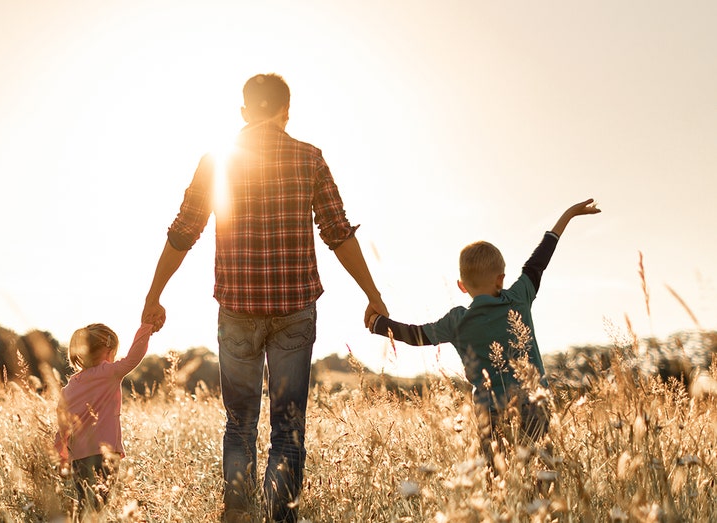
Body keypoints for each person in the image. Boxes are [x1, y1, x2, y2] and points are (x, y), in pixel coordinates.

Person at [141, 73, 388, 522]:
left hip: (237, 310)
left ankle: (236, 515)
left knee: (238, 424)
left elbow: (184, 232)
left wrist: (153, 295)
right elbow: (337, 234)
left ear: (243, 112)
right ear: (286, 112)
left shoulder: (217, 160)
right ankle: (280, 518)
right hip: (295, 311)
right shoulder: (309, 159)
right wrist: (373, 295)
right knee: (288, 427)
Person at [368, 198, 601, 469]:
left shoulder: (457, 321)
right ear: (501, 278)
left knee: (498, 479)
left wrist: (377, 323)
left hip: (490, 414)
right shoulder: (519, 297)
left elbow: (414, 335)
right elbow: (539, 260)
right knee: (539, 475)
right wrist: (568, 214)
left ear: (462, 286)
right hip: (534, 405)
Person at [54, 321, 156, 516]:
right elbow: (134, 357)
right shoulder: (108, 373)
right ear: (108, 349)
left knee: (85, 503)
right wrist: (146, 327)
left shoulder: (70, 387)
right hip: (105, 455)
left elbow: (62, 424)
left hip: (78, 458)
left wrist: (62, 454)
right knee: (98, 507)